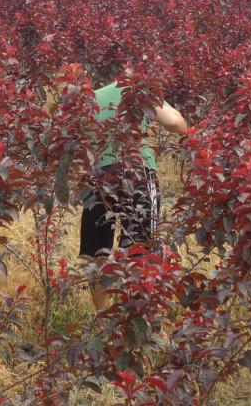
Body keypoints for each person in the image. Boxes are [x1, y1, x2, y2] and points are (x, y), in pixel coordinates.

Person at [79, 81, 187, 310]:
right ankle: (134, 316)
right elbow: (174, 122)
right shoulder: (143, 90)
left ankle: (103, 317)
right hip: (137, 173)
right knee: (141, 248)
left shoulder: (90, 96)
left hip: (96, 176)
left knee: (99, 253)